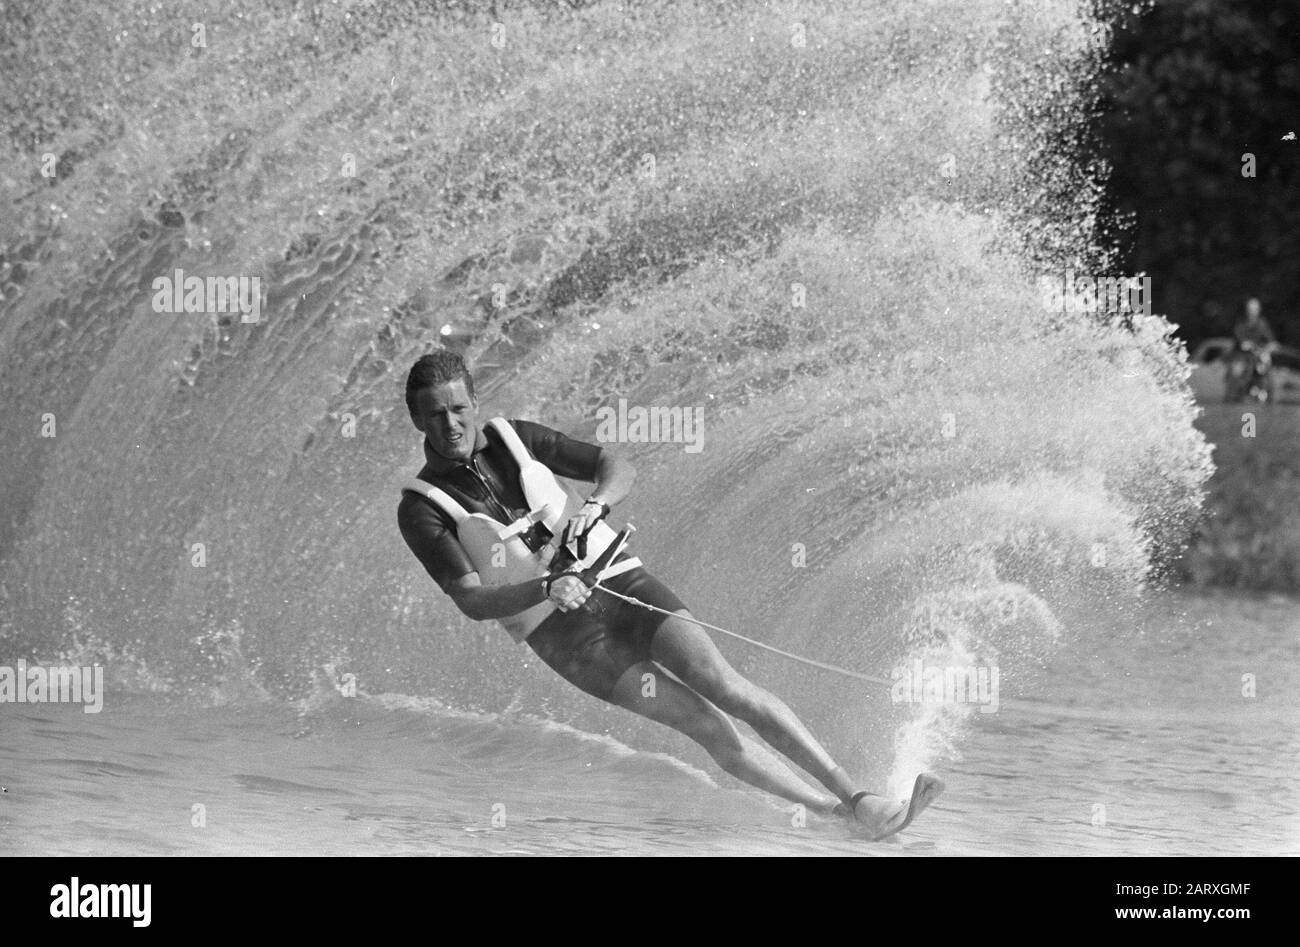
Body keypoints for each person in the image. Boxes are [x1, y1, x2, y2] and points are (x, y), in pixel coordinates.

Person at [397, 349, 914, 834]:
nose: (451, 425)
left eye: (458, 408)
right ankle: (832, 816)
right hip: (567, 639)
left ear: (474, 403)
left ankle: (858, 798)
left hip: (622, 582)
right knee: (705, 724)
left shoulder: (518, 439)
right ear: (418, 420)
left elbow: (616, 467)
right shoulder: (422, 508)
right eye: (435, 415)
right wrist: (548, 587)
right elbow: (471, 600)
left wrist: (596, 505)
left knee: (726, 686)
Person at [1228, 298, 1277, 401]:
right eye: (1250, 308)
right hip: (1242, 356)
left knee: (1268, 370)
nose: (1252, 311)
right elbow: (1239, 339)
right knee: (1236, 371)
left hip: (1258, 354)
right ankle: (1233, 397)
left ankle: (1268, 395)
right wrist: (1245, 344)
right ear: (1246, 309)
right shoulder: (1240, 323)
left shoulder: (1262, 323)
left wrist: (1268, 349)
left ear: (1259, 309)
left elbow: (1271, 340)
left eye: (1255, 308)